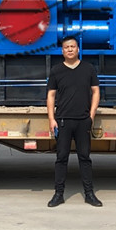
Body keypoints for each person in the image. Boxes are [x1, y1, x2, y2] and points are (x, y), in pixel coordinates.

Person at [46, 35, 102, 207]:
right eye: (66, 47)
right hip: (63, 120)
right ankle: (58, 194)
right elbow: (51, 95)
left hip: (83, 120)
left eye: (72, 46)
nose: (69, 49)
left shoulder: (88, 68)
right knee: (61, 158)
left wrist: (91, 115)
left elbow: (96, 91)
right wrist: (51, 119)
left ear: (78, 49)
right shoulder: (56, 70)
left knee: (84, 158)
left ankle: (89, 194)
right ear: (62, 51)